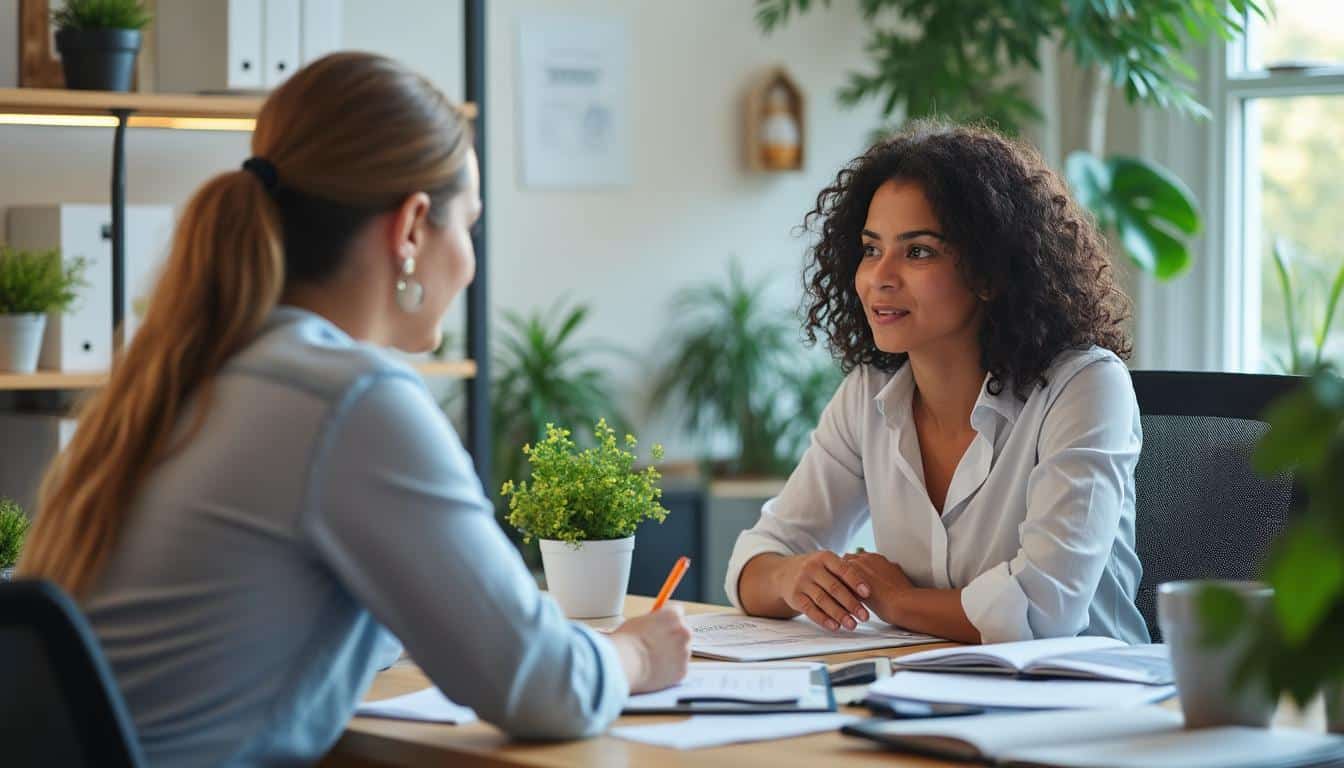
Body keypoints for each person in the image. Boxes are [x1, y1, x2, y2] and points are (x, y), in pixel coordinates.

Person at [17, 52, 690, 766]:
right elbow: (543, 687)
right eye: (469, 226)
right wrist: (635, 654)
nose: (468, 258)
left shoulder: (193, 371)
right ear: (412, 228)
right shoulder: (350, 400)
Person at [726, 121, 1148, 646]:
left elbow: (1046, 612)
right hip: (923, 693)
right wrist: (793, 577)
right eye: (871, 248)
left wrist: (897, 601)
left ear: (990, 271)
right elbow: (755, 563)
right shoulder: (869, 393)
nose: (880, 276)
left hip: (1087, 704)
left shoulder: (1085, 387)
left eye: (918, 251)